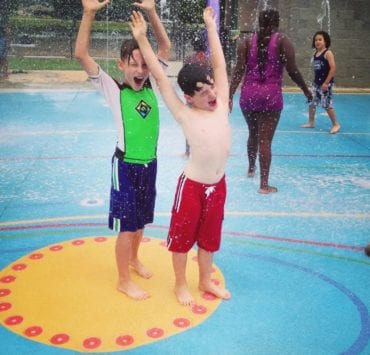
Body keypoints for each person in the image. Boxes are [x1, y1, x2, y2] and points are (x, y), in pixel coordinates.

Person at [130, 6, 232, 306]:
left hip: (218, 185)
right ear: (189, 97)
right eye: (202, 92)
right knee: (182, 239)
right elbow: (161, 79)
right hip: (192, 188)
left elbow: (220, 66)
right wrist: (142, 38)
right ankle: (180, 284)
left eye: (210, 86)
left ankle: (204, 280)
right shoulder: (185, 114)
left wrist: (211, 28)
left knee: (210, 239)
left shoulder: (222, 100)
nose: (211, 94)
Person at [74, 0, 171, 300]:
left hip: (149, 165)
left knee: (141, 222)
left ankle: (133, 258)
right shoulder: (114, 90)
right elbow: (80, 54)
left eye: (145, 63)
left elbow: (164, 47)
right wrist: (89, 14)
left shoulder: (154, 84)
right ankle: (122, 279)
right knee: (127, 227)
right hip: (125, 166)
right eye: (134, 63)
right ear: (121, 64)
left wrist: (153, 13)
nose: (141, 69)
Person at [229, 9, 312, 194]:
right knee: (265, 140)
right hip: (270, 97)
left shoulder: (246, 42)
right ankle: (264, 185)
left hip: (248, 96)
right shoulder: (283, 41)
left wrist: (229, 95)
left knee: (253, 133)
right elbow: (293, 70)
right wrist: (306, 90)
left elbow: (238, 71)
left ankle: (251, 168)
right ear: (277, 22)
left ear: (258, 21)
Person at [301, 31, 340, 134]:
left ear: (325, 41)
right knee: (311, 102)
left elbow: (333, 69)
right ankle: (311, 122)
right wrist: (316, 83)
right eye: (316, 40)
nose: (317, 41)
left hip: (326, 84)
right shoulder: (315, 53)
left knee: (327, 105)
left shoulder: (328, 53)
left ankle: (336, 124)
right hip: (316, 84)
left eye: (320, 39)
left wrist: (326, 83)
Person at [183, 30, 210, 158]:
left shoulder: (188, 59)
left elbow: (183, 79)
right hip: (204, 97)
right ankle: (204, 149)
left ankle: (188, 151)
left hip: (191, 96)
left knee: (190, 125)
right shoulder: (207, 61)